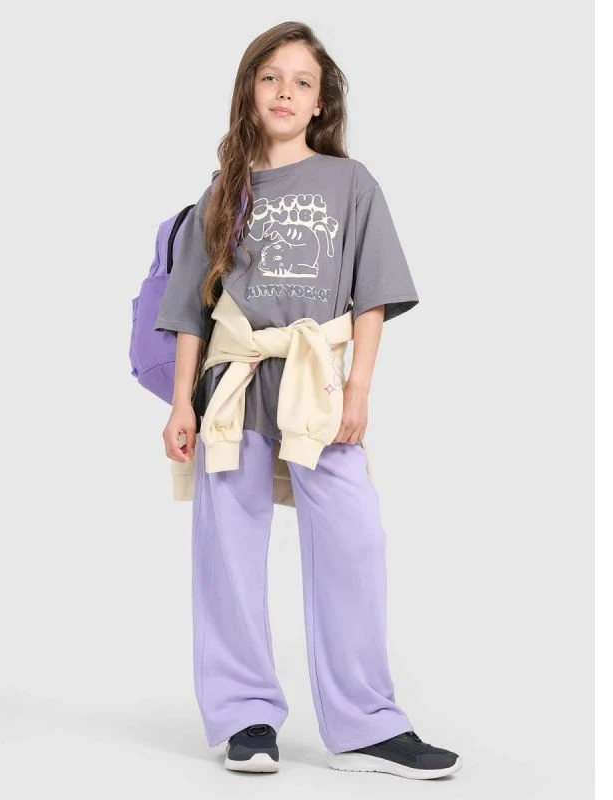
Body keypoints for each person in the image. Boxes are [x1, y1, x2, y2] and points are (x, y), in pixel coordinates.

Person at [153, 21, 462, 781]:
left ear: (322, 103)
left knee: (355, 541)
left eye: (302, 82)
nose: (285, 92)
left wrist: (359, 389)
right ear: (249, 92)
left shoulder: (351, 184)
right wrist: (180, 404)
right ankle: (245, 716)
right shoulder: (222, 192)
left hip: (316, 383)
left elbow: (372, 297)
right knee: (228, 550)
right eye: (270, 77)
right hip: (232, 388)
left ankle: (366, 726)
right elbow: (191, 311)